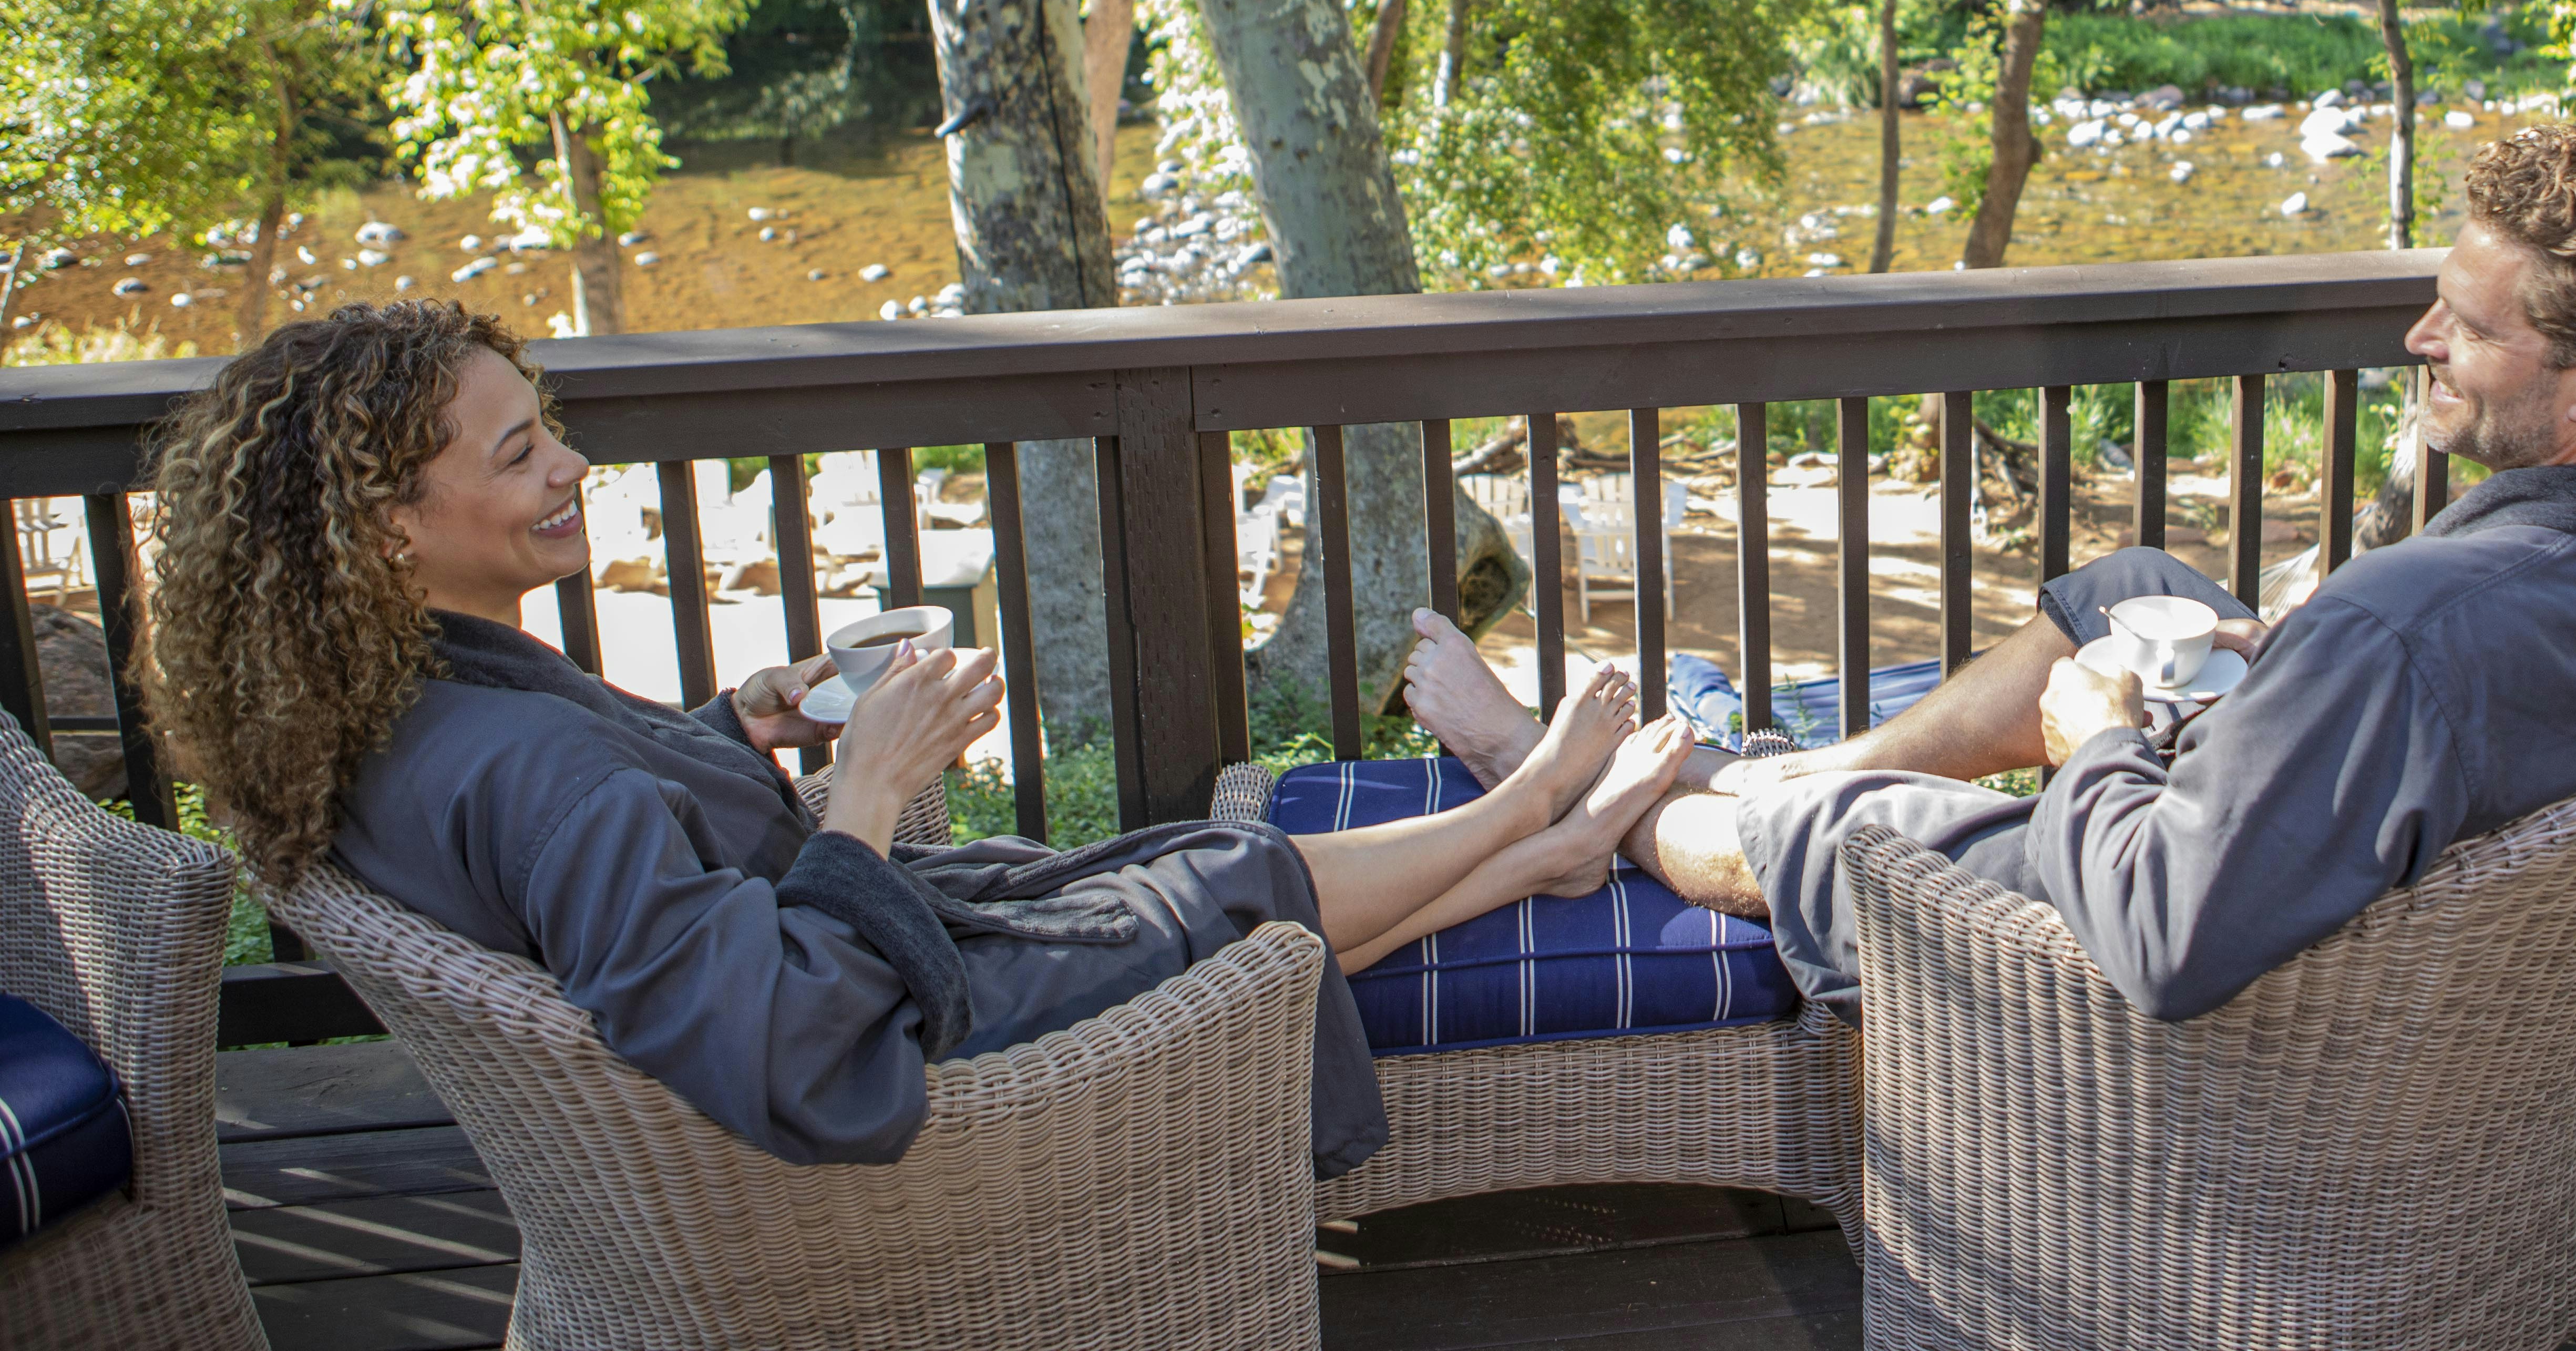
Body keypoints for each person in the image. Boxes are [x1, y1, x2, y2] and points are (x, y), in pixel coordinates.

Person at [139, 301, 1694, 1170]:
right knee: (1224, 883)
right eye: (521, 450)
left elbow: (609, 869)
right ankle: (1531, 807)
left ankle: (1533, 835)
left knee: (1183, 870)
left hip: (814, 990)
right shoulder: (519, 766)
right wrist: (866, 793)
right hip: (907, 1075)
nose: (571, 465)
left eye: (547, 427)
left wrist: (733, 729)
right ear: (385, 530)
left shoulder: (395, 711)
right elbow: (786, 1050)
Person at [1401, 119, 2576, 1021]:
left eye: (2465, 332)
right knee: (2135, 589)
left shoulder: (2406, 633)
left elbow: (2171, 942)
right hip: (2365, 881)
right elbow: (2426, 711)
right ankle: (1795, 762)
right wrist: (2274, 665)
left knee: (1830, 840)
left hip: (2192, 955)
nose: (2417, 336)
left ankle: (1579, 809)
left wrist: (2097, 743)